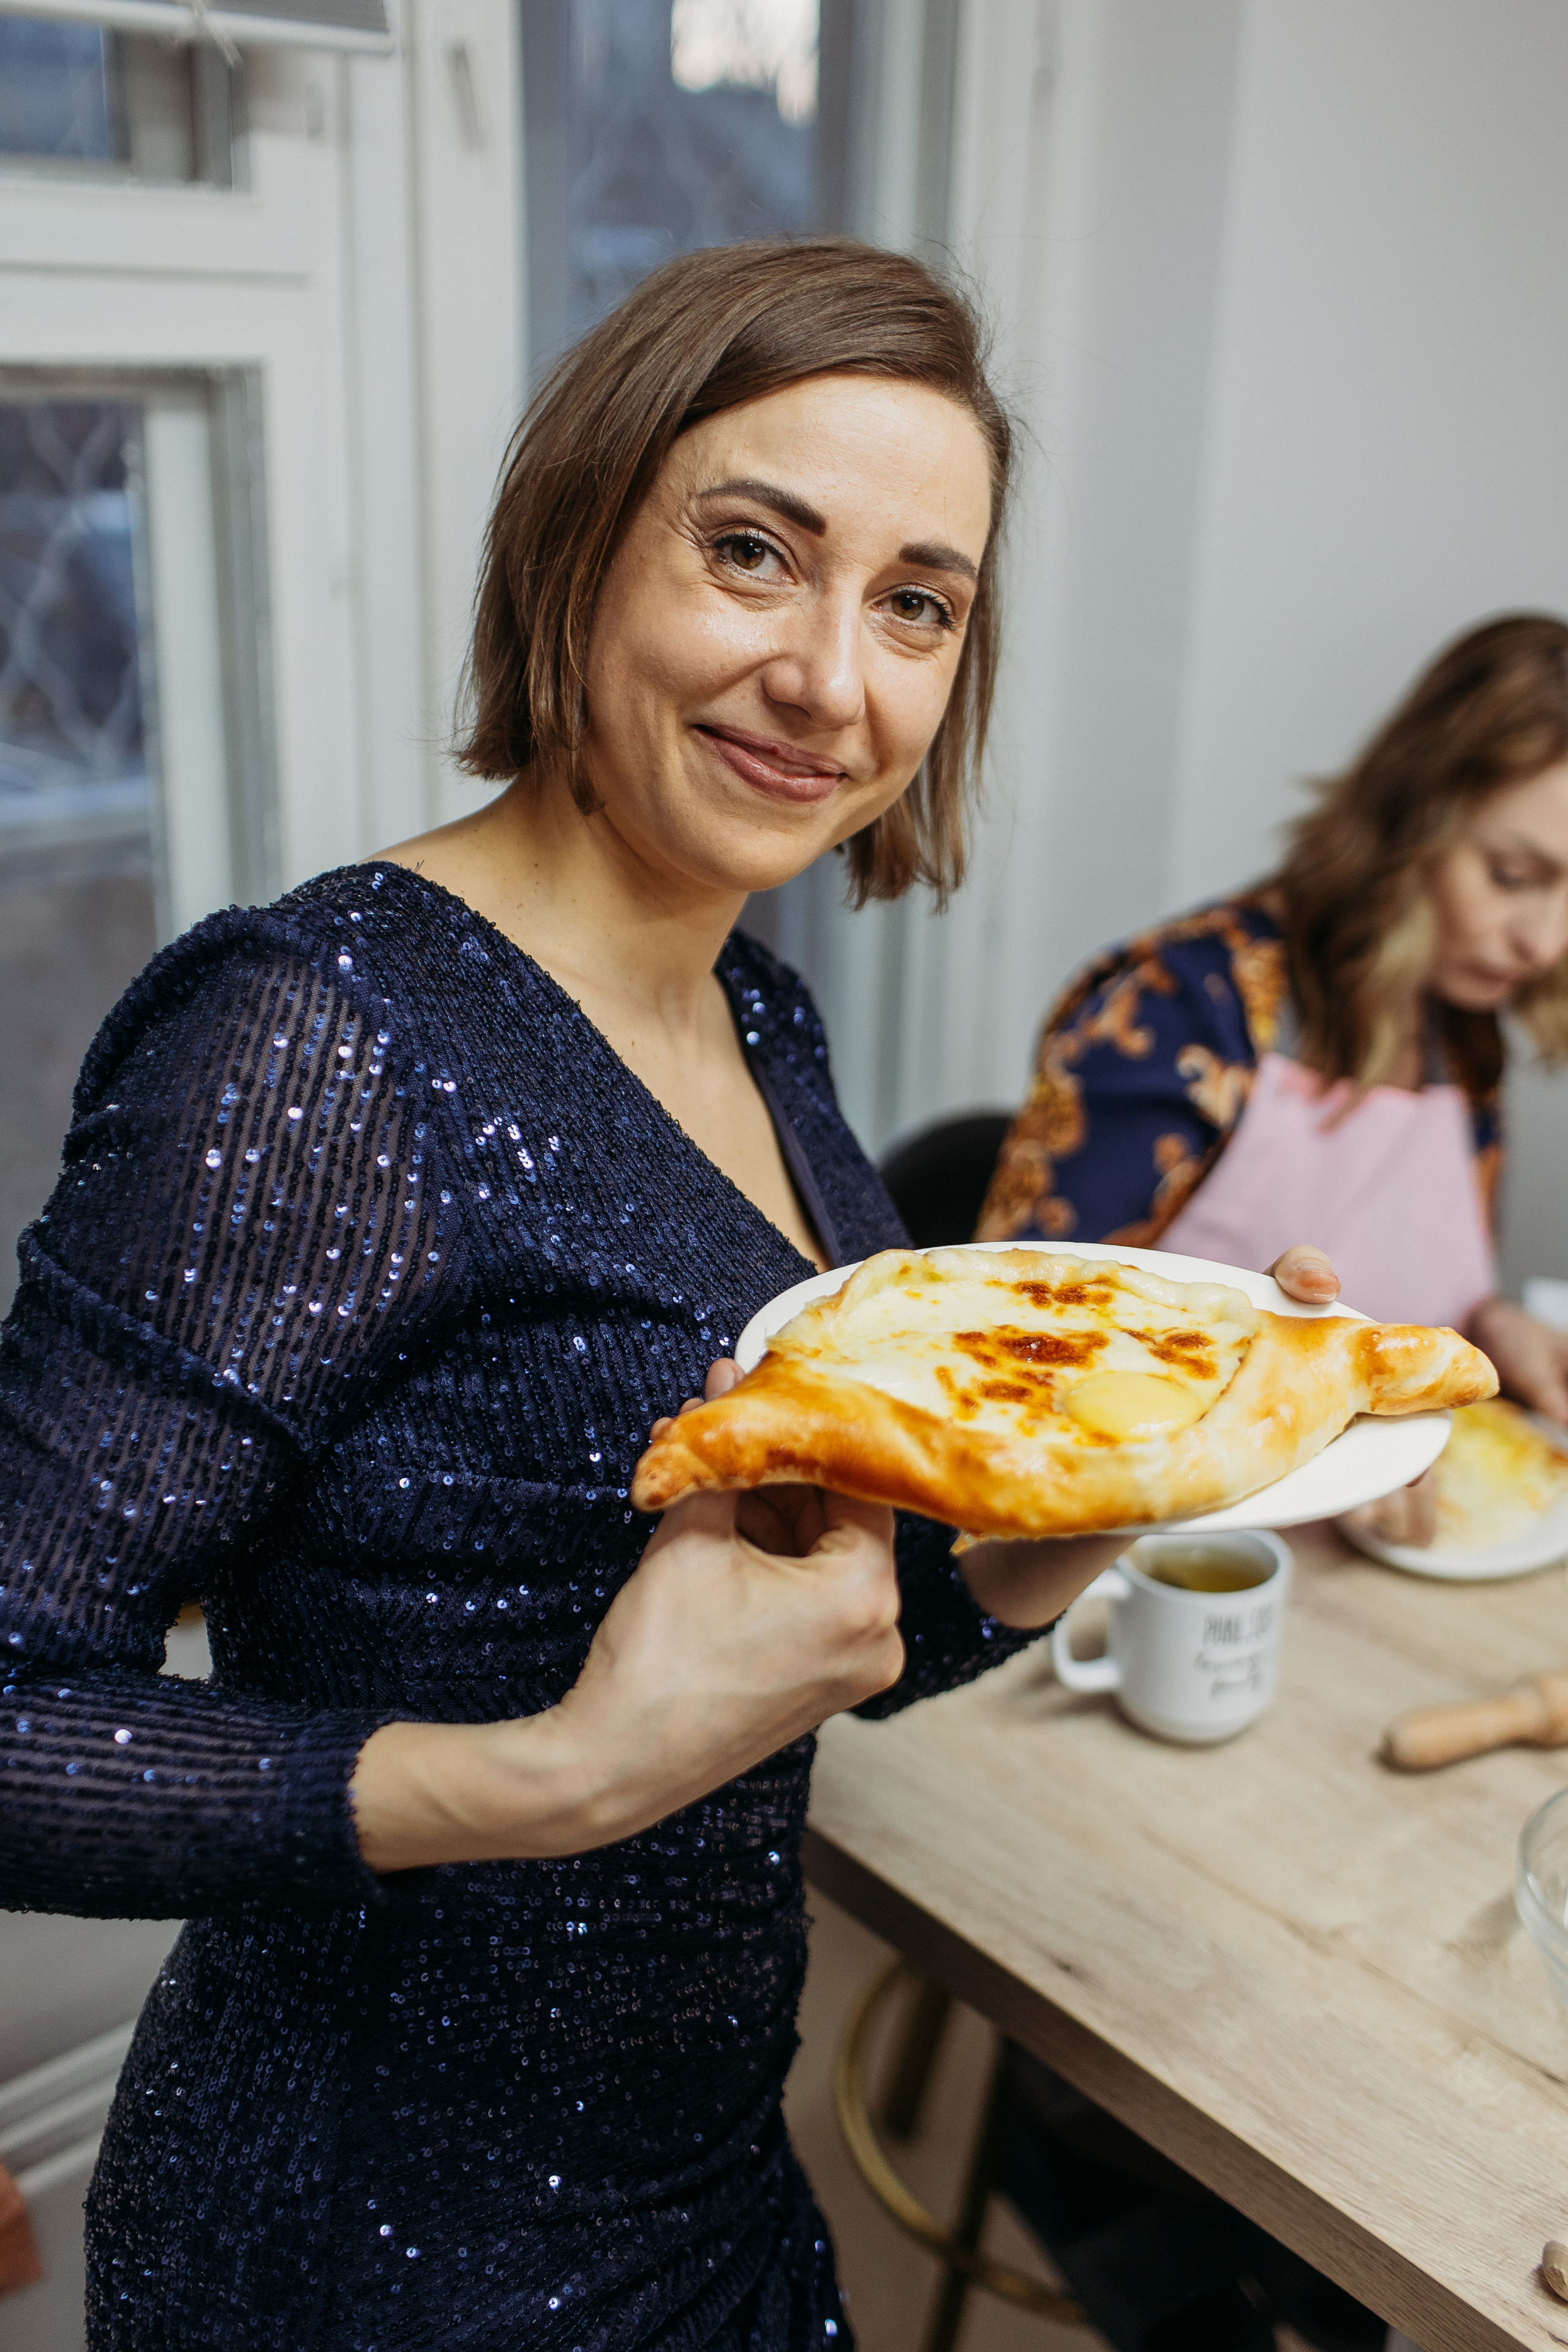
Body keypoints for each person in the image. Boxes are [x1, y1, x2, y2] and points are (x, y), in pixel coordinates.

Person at [0, 239, 1339, 2352]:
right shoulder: (317, 1031)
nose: (834, 677)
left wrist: (1054, 1529)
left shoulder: (758, 1015)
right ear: (574, 552)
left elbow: (795, 1649)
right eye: (750, 552)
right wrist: (557, 1778)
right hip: (370, 2253)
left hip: (697, 2190)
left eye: (917, 601)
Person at [981, 614, 1568, 1460]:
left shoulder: (1466, 1036)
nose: (1546, 943)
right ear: (1415, 819)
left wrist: (1493, 1326)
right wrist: (1327, 1441)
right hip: (1157, 1545)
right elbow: (1021, 1339)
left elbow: (1401, 1303)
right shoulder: (1185, 1005)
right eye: (1514, 877)